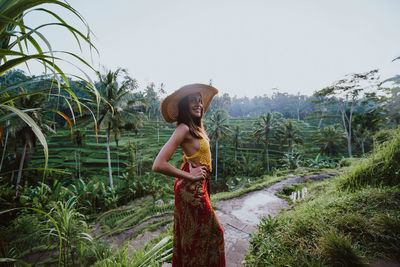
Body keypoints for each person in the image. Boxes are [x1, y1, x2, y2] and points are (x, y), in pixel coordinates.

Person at [152, 83, 225, 267]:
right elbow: (158, 164)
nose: (198, 104)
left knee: (198, 236)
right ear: (185, 105)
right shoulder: (183, 128)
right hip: (192, 189)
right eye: (193, 101)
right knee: (211, 235)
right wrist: (190, 176)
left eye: (200, 101)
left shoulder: (196, 128)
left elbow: (193, 156)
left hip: (198, 186)